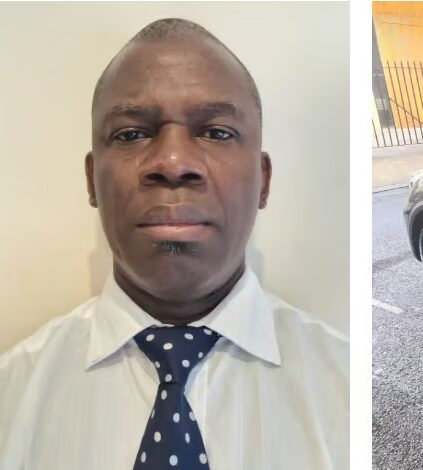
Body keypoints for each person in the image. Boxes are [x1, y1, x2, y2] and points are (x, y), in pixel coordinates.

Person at [0, 18, 348, 469]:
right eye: (131, 134)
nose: (173, 162)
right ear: (92, 180)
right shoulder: (12, 396)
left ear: (263, 181)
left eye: (217, 132)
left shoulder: (347, 386)